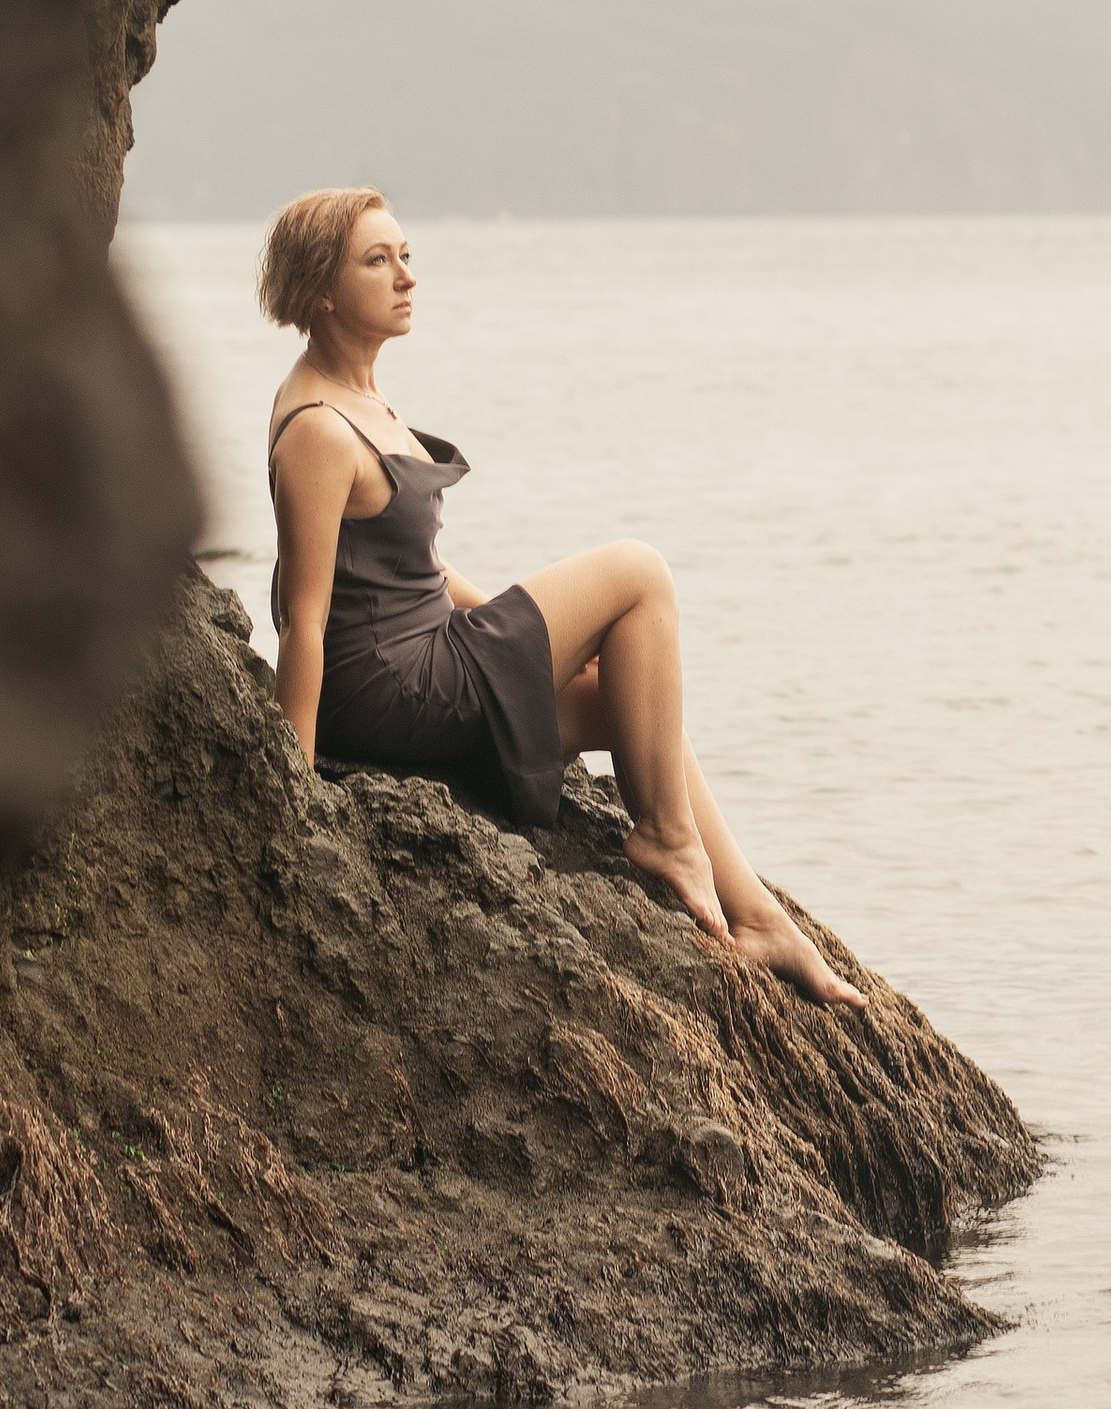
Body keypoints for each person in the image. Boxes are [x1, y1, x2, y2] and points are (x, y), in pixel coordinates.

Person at [260, 185, 865, 1009]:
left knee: (628, 699)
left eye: (407, 256)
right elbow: (306, 616)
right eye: (378, 261)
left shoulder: (367, 399)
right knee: (639, 570)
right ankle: (663, 835)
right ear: (320, 289)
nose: (406, 277)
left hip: (426, 659)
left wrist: (528, 621)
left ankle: (757, 916)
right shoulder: (319, 430)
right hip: (391, 689)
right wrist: (292, 792)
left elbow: (416, 576)